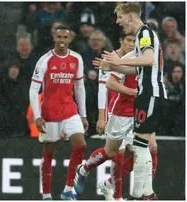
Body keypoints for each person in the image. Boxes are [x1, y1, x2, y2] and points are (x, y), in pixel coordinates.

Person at [92, 3, 166, 200]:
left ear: (131, 16)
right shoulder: (145, 34)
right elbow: (139, 68)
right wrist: (113, 67)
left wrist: (119, 61)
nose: (118, 21)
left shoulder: (144, 33)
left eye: (120, 17)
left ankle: (145, 195)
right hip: (149, 94)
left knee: (142, 147)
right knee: (144, 146)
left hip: (149, 93)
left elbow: (148, 59)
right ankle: (144, 195)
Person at [29, 25, 88, 200]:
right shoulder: (44, 60)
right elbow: (33, 89)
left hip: (70, 110)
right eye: (59, 37)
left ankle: (68, 190)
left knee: (81, 145)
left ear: (70, 39)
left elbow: (79, 87)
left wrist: (83, 115)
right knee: (49, 152)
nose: (62, 41)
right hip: (50, 112)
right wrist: (37, 115)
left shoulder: (76, 59)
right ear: (54, 38)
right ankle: (46, 195)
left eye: (65, 37)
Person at [93, 33, 137, 200]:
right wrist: (101, 116)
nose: (132, 44)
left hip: (132, 113)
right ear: (121, 41)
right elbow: (102, 89)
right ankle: (117, 197)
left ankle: (108, 184)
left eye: (134, 41)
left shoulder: (137, 59)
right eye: (129, 40)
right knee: (117, 155)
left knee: (138, 156)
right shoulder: (111, 58)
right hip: (114, 112)